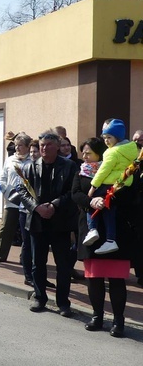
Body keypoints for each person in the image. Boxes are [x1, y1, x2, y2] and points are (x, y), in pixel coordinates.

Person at [8, 131, 79, 316]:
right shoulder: (31, 167)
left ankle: (63, 302)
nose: (44, 148)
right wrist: (37, 207)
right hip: (38, 222)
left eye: (48, 145)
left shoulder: (69, 166)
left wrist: (54, 205)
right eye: (41, 145)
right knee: (37, 263)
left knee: (63, 265)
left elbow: (73, 193)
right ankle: (40, 297)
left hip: (60, 223)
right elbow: (22, 191)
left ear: (57, 146)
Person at [72, 137, 134, 337]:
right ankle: (97, 316)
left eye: (89, 152)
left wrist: (108, 199)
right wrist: (92, 201)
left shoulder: (122, 170)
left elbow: (132, 196)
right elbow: (75, 194)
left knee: (116, 280)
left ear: (101, 153)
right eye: (83, 152)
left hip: (116, 233)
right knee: (95, 279)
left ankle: (118, 321)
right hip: (92, 233)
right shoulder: (81, 171)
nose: (85, 156)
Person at [84, 119, 138, 255]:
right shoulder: (131, 149)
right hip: (124, 183)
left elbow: (103, 170)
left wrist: (93, 186)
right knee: (109, 210)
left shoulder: (112, 152)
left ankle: (92, 229)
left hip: (109, 183)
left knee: (93, 203)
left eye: (109, 137)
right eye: (104, 137)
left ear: (117, 137)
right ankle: (110, 239)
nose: (106, 141)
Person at [0, 133, 32, 263]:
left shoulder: (33, 160)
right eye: (16, 145)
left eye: (20, 145)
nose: (17, 148)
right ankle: (0, 255)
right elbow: (3, 178)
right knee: (6, 228)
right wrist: (6, 191)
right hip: (11, 199)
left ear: (28, 147)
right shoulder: (10, 160)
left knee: (25, 232)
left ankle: (25, 258)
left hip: (27, 201)